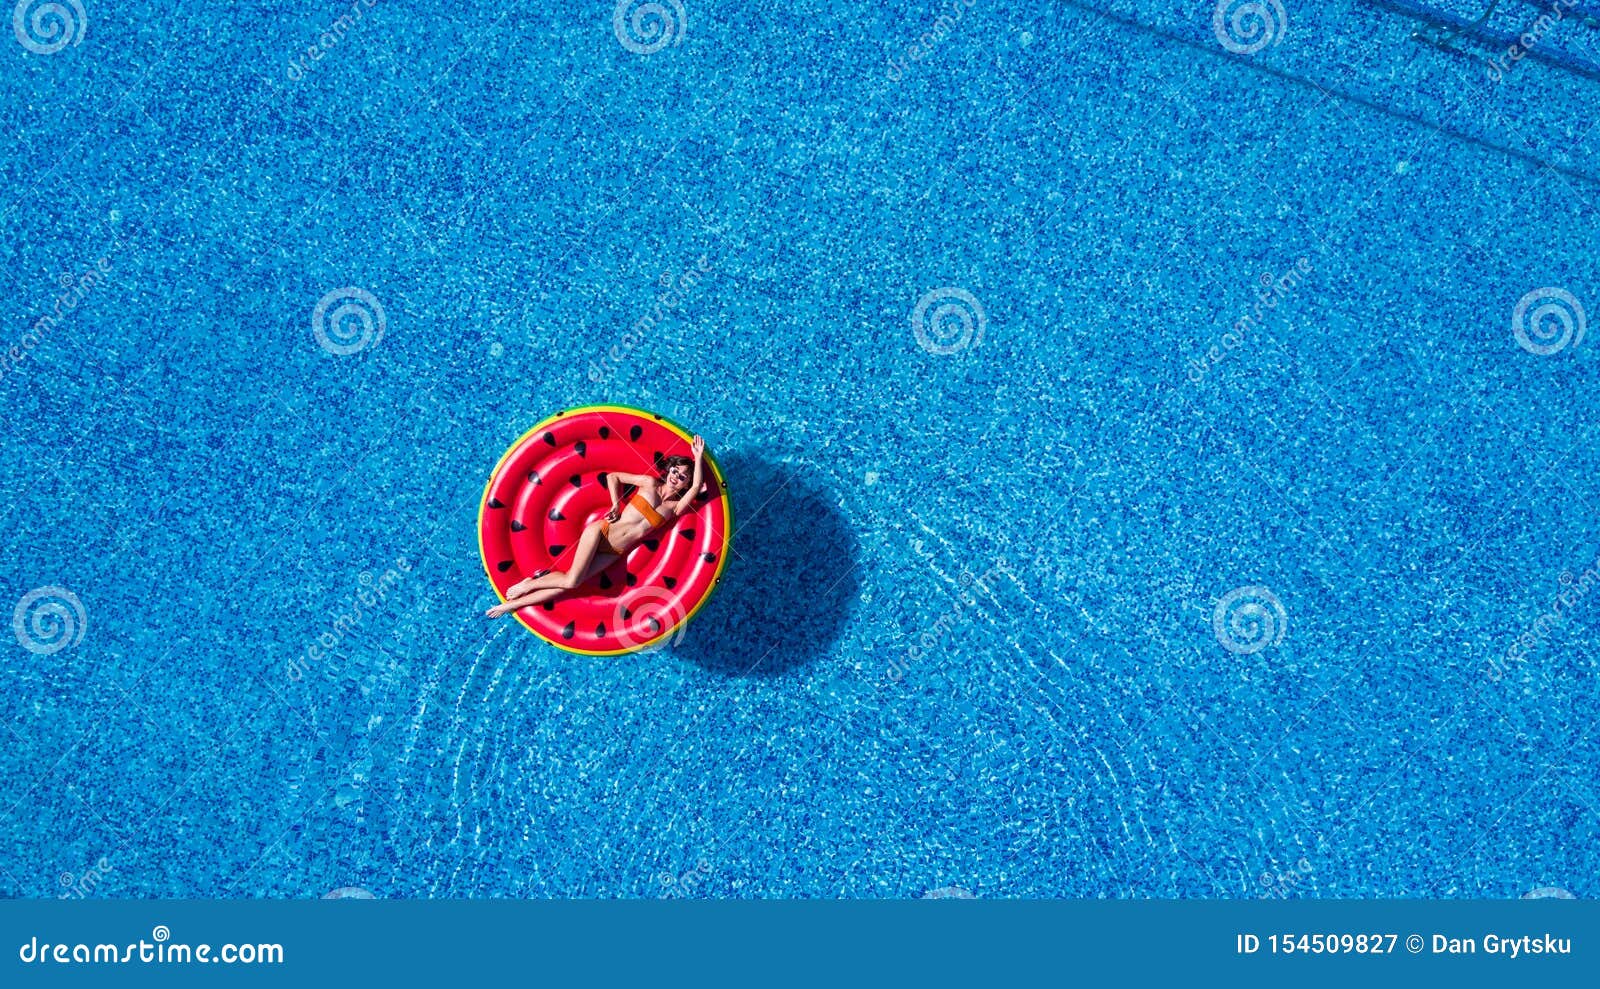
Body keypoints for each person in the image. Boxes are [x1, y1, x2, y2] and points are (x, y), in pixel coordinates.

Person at [486, 435, 706, 618]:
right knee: (571, 580)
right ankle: (528, 586)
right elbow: (613, 477)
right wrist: (616, 503)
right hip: (602, 532)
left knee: (571, 584)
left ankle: (512, 604)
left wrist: (698, 459)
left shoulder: (674, 508)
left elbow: (697, 486)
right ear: (668, 471)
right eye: (675, 471)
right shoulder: (649, 483)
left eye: (683, 476)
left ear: (686, 483)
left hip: (615, 552)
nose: (677, 477)